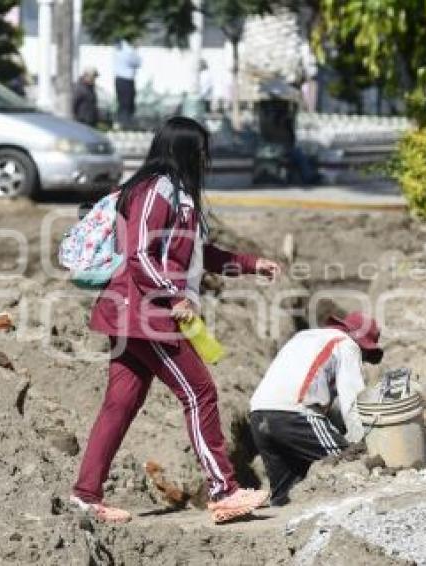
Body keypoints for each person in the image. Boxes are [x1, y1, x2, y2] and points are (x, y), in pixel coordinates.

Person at [72, 116, 282, 524]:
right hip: (145, 313)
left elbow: (201, 256)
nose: (206, 161)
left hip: (142, 314)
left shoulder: (180, 195)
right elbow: (139, 255)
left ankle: (85, 495)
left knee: (120, 403)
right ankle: (224, 491)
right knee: (200, 391)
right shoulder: (156, 191)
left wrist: (253, 264)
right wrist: (171, 297)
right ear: (184, 151)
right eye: (202, 152)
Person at [249, 312, 384, 506]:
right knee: (349, 463)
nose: (362, 361)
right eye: (365, 355)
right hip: (294, 414)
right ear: (360, 343)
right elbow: (352, 400)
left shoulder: (303, 337)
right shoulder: (346, 344)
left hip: (258, 413)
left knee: (285, 496)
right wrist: (361, 443)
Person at [113, 39, 141, 128]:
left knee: (123, 102)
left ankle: (123, 122)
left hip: (120, 79)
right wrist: (135, 52)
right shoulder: (128, 50)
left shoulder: (121, 49)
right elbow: (138, 62)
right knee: (126, 103)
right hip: (126, 80)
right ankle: (125, 123)